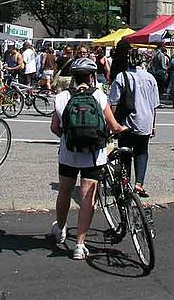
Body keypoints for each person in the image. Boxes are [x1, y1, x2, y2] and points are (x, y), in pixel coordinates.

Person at [50, 58, 127, 259]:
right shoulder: (100, 97)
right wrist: (124, 129)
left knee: (65, 190)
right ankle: (79, 245)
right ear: (92, 76)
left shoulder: (62, 97)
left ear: (73, 77)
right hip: (94, 155)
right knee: (87, 196)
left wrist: (67, 138)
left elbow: (54, 127)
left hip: (68, 154)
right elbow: (114, 126)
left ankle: (60, 229)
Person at [109, 48, 160, 197]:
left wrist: (110, 124)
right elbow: (154, 105)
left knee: (124, 152)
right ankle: (139, 183)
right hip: (145, 121)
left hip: (126, 122)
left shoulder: (121, 77)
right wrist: (153, 125)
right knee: (142, 152)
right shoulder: (150, 78)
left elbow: (114, 103)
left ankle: (125, 184)